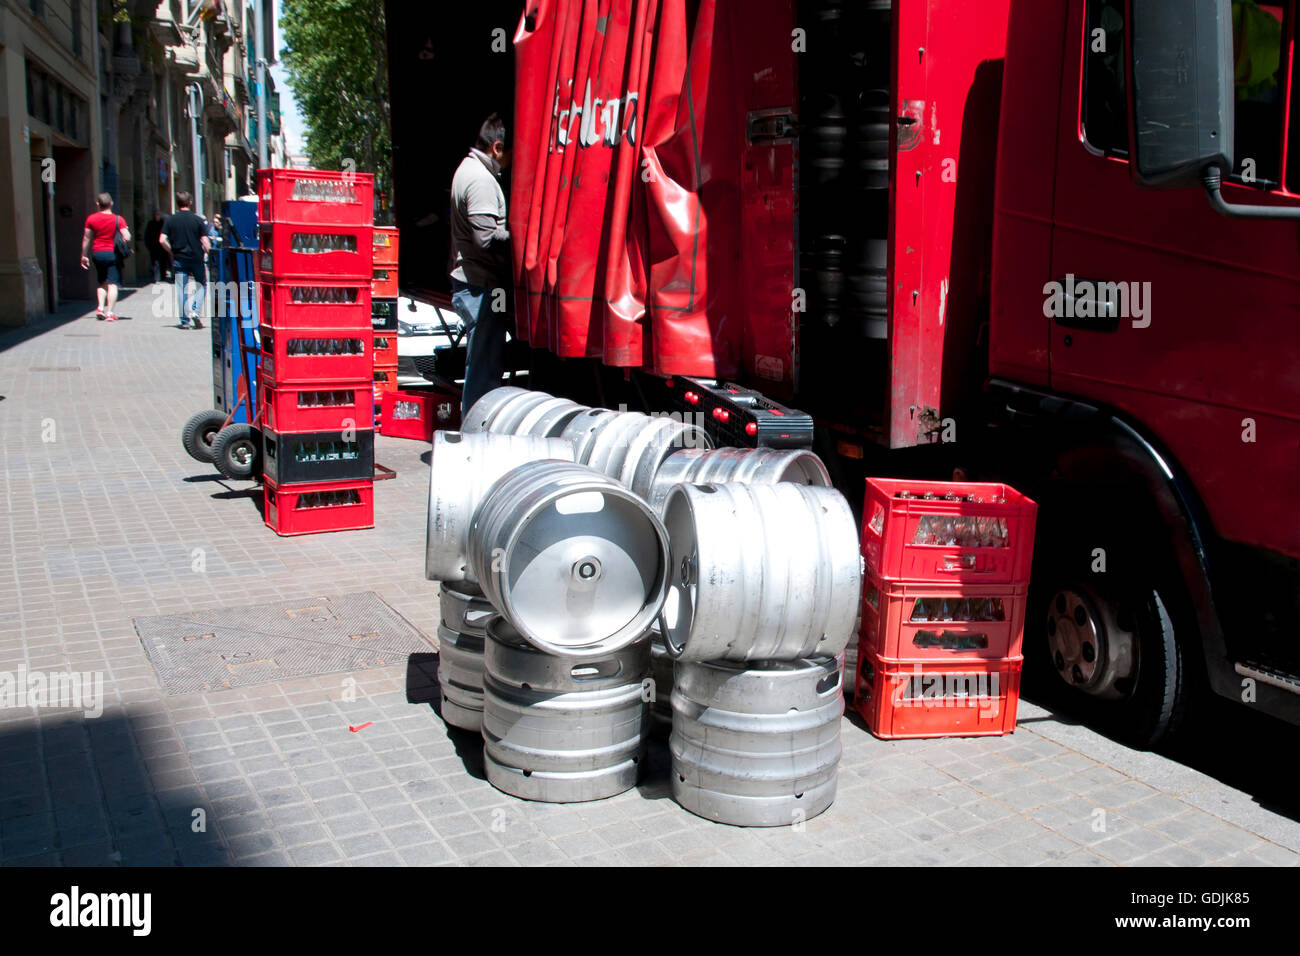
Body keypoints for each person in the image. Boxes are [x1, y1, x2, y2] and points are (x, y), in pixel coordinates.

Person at [449, 113, 512, 414]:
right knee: (484, 370)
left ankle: (475, 429)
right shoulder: (480, 179)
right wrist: (525, 238)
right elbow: (486, 238)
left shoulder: (467, 169)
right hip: (481, 287)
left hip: (476, 285)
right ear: (497, 148)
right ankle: (474, 433)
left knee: (484, 364)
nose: (511, 163)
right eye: (511, 154)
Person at [160, 191, 210, 330]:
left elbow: (162, 240)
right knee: (201, 284)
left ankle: (185, 321)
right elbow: (205, 241)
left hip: (179, 259)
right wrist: (208, 252)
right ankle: (195, 310)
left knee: (181, 289)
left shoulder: (171, 220)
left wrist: (171, 251)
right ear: (190, 202)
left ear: (177, 203)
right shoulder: (198, 220)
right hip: (196, 258)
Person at [79, 193, 130, 321]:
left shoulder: (91, 219)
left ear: (98, 204)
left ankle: (100, 308)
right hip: (112, 254)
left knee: (102, 282)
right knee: (112, 284)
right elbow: (127, 236)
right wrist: (124, 234)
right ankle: (110, 312)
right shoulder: (118, 219)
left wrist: (84, 255)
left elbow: (87, 238)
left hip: (98, 253)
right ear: (111, 203)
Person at [144, 210, 169, 283]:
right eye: (156, 215)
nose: (157, 216)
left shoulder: (163, 223)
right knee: (155, 262)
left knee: (163, 261)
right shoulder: (151, 223)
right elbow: (147, 235)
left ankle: (163, 276)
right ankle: (157, 278)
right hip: (154, 246)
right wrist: (148, 245)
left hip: (162, 246)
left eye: (158, 214)